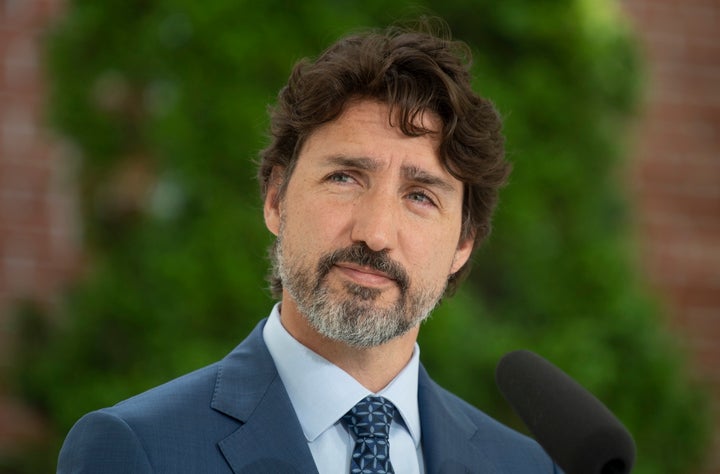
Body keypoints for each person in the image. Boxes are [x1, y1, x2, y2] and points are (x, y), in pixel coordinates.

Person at [57, 20, 560, 474]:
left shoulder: (528, 467)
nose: (376, 233)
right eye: (344, 177)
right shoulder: (137, 450)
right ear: (276, 199)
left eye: (420, 196)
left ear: (463, 245)